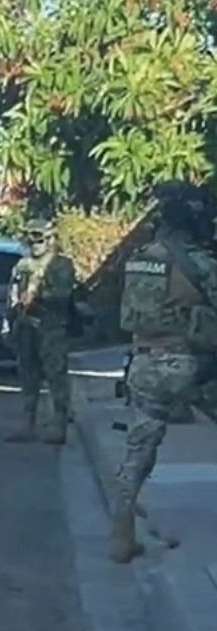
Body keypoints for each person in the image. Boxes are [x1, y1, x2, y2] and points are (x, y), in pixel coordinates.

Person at [110, 181, 217, 563]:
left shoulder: (140, 256)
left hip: (143, 361)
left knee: (140, 447)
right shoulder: (199, 262)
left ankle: (122, 530)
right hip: (190, 365)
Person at [5, 217, 75, 445]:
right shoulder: (22, 265)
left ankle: (59, 424)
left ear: (51, 239)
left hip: (51, 327)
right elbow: (12, 293)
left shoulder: (60, 264)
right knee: (28, 375)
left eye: (40, 238)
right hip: (26, 326)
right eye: (31, 238)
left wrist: (39, 297)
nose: (35, 243)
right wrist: (11, 319)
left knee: (56, 377)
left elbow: (64, 294)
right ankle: (28, 423)